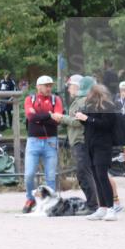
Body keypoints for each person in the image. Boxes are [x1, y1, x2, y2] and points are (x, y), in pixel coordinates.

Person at [53, 76, 99, 216]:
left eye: (70, 85)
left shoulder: (83, 101)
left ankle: (93, 206)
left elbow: (79, 122)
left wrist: (61, 118)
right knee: (85, 173)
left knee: (84, 173)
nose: (68, 88)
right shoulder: (80, 101)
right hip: (79, 141)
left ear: (78, 86)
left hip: (82, 141)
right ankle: (94, 204)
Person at [75, 83, 122, 221]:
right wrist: (81, 117)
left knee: (102, 176)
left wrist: (87, 119)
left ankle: (111, 209)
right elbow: (90, 124)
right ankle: (102, 208)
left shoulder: (109, 106)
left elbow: (106, 125)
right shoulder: (91, 106)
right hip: (90, 145)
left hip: (103, 146)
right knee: (96, 177)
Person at [22, 76, 63, 213]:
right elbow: (31, 117)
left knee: (50, 176)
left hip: (50, 141)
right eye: (46, 85)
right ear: (38, 86)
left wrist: (42, 117)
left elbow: (58, 120)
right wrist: (49, 115)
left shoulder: (55, 99)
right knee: (29, 174)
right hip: (33, 141)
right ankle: (30, 198)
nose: (49, 88)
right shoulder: (30, 99)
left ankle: (50, 203)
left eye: (50, 85)